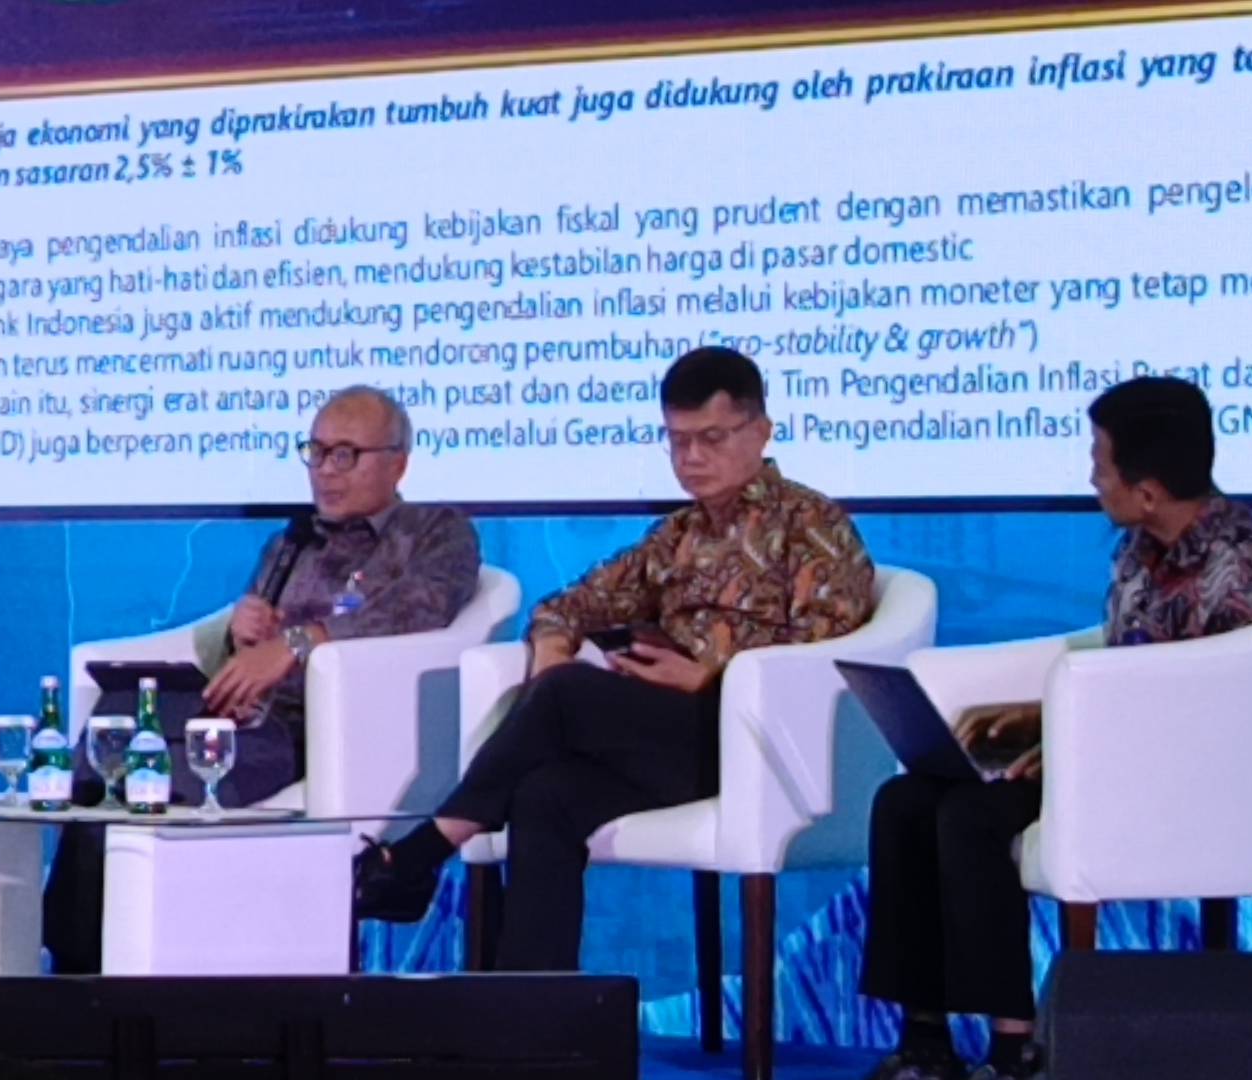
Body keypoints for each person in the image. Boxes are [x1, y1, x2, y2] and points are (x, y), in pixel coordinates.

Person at [354, 346, 876, 970]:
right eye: (678, 441)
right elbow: (569, 604)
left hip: (758, 746)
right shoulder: (676, 535)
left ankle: (422, 853)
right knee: (545, 794)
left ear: (760, 431)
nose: (692, 457)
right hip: (662, 738)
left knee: (567, 694)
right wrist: (551, 650)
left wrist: (713, 676)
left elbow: (825, 645)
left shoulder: (811, 523)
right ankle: (535, 1010)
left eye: (711, 438)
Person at [857, 376, 1252, 1080]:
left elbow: (1227, 710)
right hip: (1106, 750)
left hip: (1193, 779)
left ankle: (1013, 1046)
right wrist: (1032, 723)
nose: (1093, 478)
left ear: (1149, 489)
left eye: (1101, 462)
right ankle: (925, 1038)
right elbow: (1123, 664)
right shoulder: (1136, 550)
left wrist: (1077, 739)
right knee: (908, 800)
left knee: (973, 817)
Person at [42, 385, 482, 973]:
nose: (324, 471)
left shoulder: (435, 531)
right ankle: (73, 969)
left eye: (345, 454)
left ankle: (99, 977)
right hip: (236, 716)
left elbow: (421, 608)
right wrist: (242, 634)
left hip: (317, 733)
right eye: (315, 452)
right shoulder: (291, 542)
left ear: (397, 462)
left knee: (145, 782)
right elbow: (253, 653)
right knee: (110, 753)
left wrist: (298, 643)